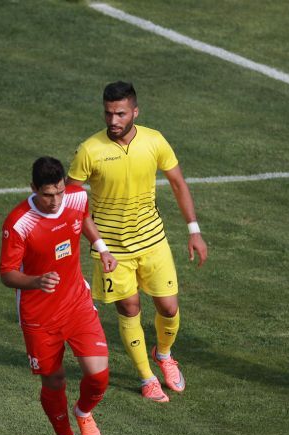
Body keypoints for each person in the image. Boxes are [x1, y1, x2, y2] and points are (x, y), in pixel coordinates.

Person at [68, 81, 208, 403]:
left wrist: (194, 230)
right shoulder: (89, 150)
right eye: (108, 113)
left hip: (153, 241)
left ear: (135, 112)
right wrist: (98, 246)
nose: (113, 120)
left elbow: (178, 183)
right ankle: (147, 378)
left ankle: (164, 354)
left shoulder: (154, 141)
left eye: (120, 114)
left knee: (169, 308)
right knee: (130, 308)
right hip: (111, 249)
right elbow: (73, 202)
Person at [0, 156, 117, 435]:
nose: (55, 201)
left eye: (59, 192)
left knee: (99, 375)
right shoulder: (19, 223)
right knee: (54, 381)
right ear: (33, 188)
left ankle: (83, 412)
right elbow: (7, 274)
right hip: (39, 316)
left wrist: (102, 248)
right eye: (47, 195)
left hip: (76, 303)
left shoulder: (77, 197)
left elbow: (84, 218)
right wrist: (36, 281)